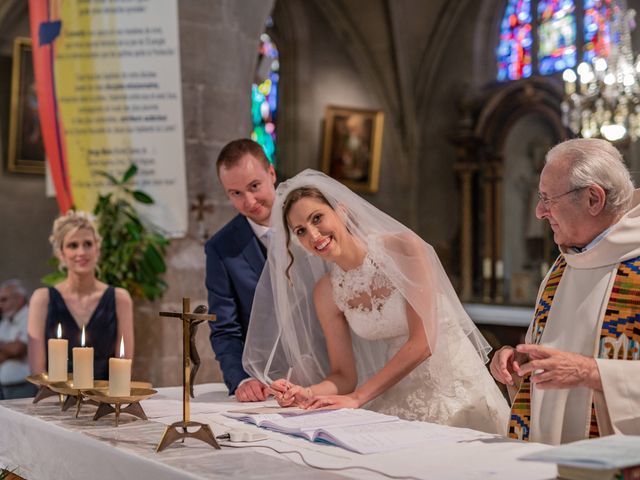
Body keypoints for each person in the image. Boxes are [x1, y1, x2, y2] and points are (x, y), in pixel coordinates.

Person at [243, 169, 510, 434]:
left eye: (317, 218)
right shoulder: (326, 293)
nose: (313, 236)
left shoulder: (403, 249)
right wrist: (306, 392)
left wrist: (359, 397)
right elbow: (343, 376)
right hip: (397, 386)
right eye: (300, 231)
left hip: (454, 386)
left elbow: (423, 342)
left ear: (341, 211)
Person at [490, 138, 640, 445]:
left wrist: (591, 372)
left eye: (548, 199)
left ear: (593, 199)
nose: (539, 212)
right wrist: (521, 363)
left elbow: (580, 366)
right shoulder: (564, 264)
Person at [205, 139, 276, 401]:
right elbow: (225, 329)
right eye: (235, 193)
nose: (249, 201)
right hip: (266, 383)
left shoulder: (312, 224)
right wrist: (241, 379)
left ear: (272, 173)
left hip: (328, 375)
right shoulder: (220, 249)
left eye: (254, 186)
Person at [28, 211, 134, 380]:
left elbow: (125, 363)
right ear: (61, 253)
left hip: (104, 400)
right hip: (55, 400)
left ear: (97, 249)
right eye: (73, 245)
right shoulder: (42, 299)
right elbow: (37, 371)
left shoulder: (120, 299)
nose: (81, 252)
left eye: (87, 244)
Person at [0, 279, 35, 399]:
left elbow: (18, 349)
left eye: (4, 300)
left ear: (19, 299)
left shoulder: (31, 316)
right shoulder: (5, 321)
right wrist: (8, 348)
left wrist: (11, 349)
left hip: (25, 387)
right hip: (4, 387)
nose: (0, 305)